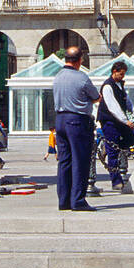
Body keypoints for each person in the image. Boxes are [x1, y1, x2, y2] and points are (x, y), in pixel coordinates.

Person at [51, 46, 101, 211]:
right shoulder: (81, 78)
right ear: (80, 60)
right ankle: (78, 200)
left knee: (64, 161)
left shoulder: (57, 77)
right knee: (80, 160)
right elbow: (95, 97)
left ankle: (63, 200)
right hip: (77, 120)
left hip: (60, 120)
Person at [97, 60, 134, 191]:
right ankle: (116, 181)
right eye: (121, 74)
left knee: (131, 140)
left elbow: (126, 100)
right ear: (114, 72)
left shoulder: (120, 85)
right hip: (109, 121)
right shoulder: (108, 86)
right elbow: (112, 107)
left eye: (124, 74)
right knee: (113, 152)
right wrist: (125, 120)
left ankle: (111, 150)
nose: (122, 77)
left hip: (119, 121)